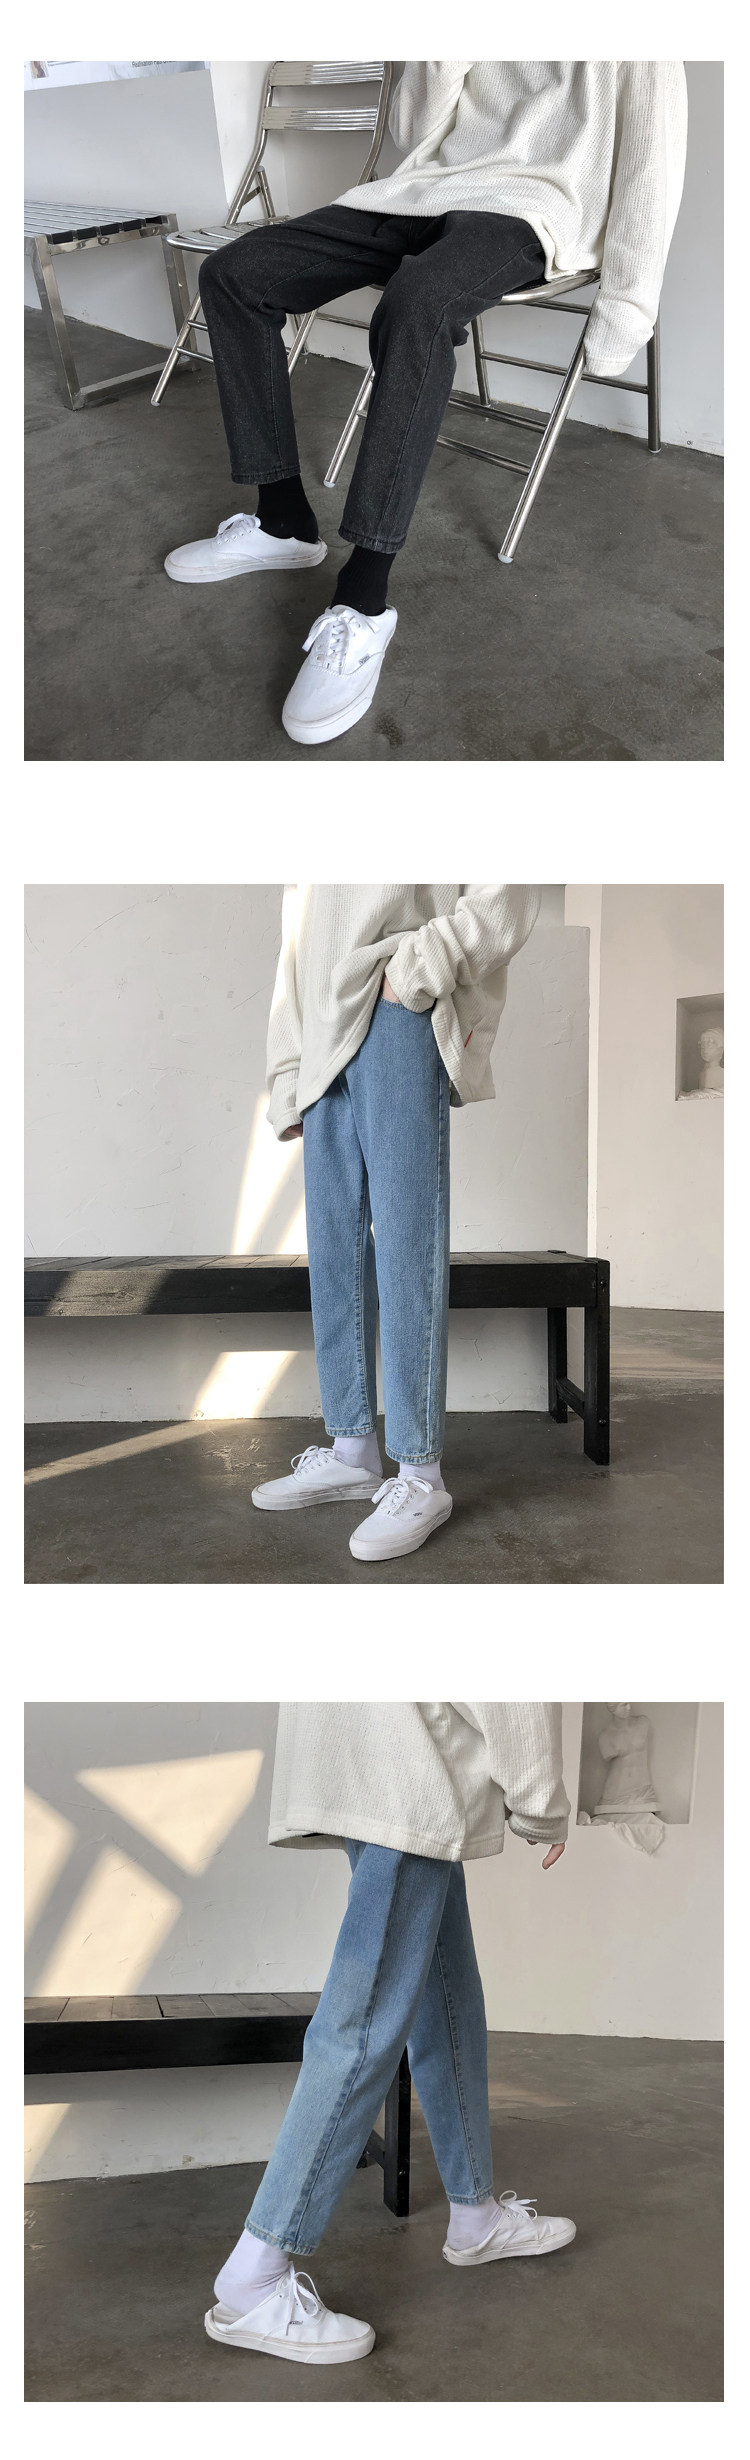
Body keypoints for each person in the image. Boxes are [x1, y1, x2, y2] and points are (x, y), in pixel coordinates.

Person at [165, 61, 688, 746]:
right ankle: (283, 521)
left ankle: (363, 599)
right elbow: (417, 131)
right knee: (234, 274)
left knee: (418, 306)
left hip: (531, 210)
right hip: (417, 192)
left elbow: (652, 168)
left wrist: (627, 308)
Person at [205, 1701, 573, 2367]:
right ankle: (252, 2277)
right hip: (413, 1766)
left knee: (448, 1998)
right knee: (363, 2023)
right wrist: (540, 1801)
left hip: (378, 1751)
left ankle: (475, 2213)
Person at [251, 884, 540, 1563]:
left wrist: (417, 967)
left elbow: (509, 886)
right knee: (334, 1252)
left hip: (395, 1004)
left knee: (408, 1247)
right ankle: (352, 1451)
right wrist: (287, 1073)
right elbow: (297, 943)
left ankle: (421, 1473)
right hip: (320, 1034)